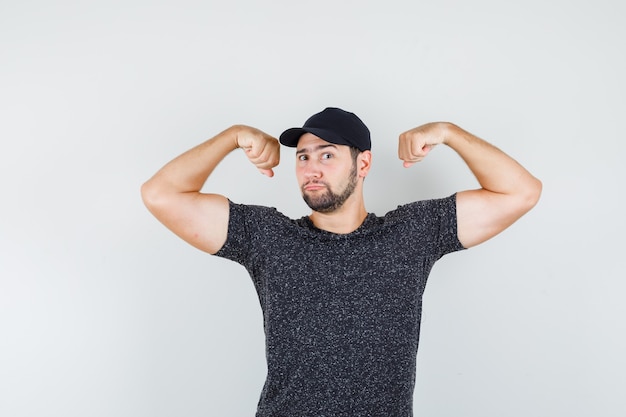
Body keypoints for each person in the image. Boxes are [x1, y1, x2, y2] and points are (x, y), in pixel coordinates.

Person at [141, 107, 542, 416]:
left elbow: (520, 192)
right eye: (302, 157)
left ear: (362, 163)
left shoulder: (412, 233)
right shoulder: (267, 236)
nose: (310, 169)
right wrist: (232, 137)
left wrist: (447, 132)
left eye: (327, 155)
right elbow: (161, 195)